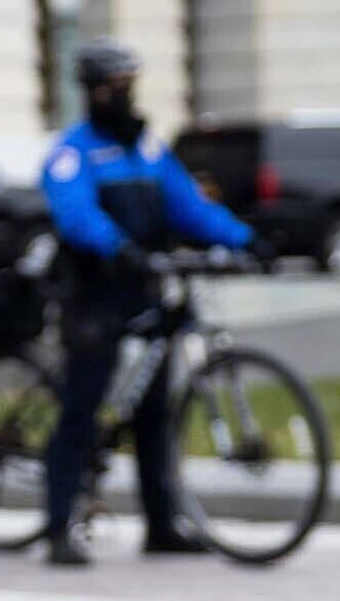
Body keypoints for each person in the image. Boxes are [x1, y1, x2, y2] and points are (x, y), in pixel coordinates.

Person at [39, 38, 255, 566]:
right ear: (92, 91)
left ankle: (161, 523)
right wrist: (119, 248)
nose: (125, 96)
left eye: (129, 86)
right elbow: (76, 214)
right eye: (116, 87)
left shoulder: (148, 149)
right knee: (81, 411)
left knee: (154, 411)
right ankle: (57, 525)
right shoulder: (73, 152)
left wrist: (242, 238)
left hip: (144, 291)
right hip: (94, 295)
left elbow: (188, 207)